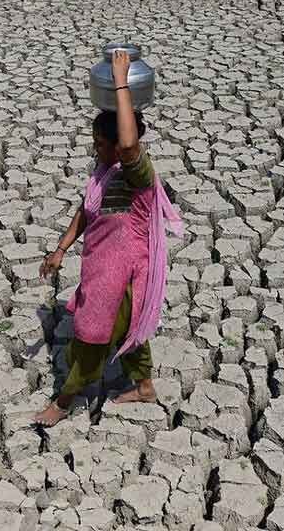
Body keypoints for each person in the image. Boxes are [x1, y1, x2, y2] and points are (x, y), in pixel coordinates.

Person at [33, 50, 183, 427]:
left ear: (118, 146)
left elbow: (131, 146)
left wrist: (120, 82)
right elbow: (87, 211)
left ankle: (65, 399)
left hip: (126, 274)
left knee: (92, 336)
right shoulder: (104, 172)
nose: (94, 149)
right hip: (102, 270)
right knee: (130, 329)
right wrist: (61, 249)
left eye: (101, 143)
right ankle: (144, 386)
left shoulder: (138, 175)